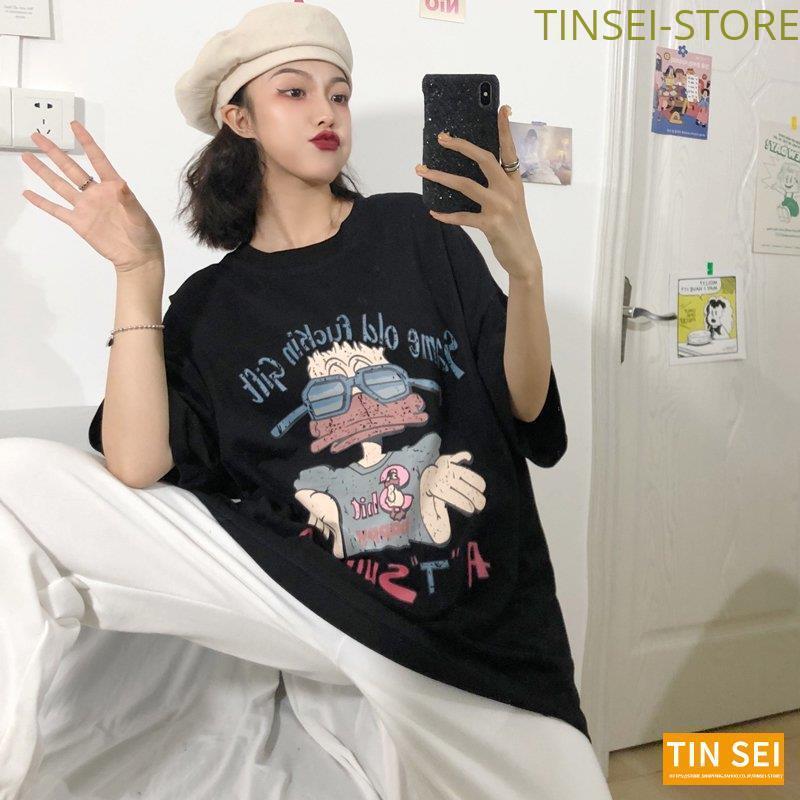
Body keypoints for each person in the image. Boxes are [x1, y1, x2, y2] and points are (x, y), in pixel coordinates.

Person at [4, 2, 613, 798]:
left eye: (340, 93)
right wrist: (137, 273)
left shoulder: (418, 233)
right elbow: (136, 462)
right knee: (16, 476)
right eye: (294, 92)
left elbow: (523, 409)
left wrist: (524, 270)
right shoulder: (211, 306)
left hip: (475, 630)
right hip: (310, 594)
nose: (327, 112)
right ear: (239, 118)